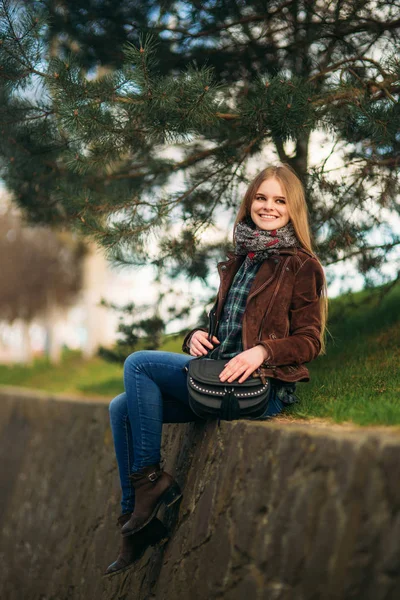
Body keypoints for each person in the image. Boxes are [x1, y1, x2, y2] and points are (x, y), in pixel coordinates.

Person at [104, 163, 327, 576]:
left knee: (139, 364)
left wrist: (262, 352)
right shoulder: (242, 258)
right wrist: (194, 336)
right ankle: (133, 521)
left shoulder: (301, 265)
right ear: (249, 202)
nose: (268, 206)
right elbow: (221, 324)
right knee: (120, 408)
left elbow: (310, 341)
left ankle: (152, 486)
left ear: (293, 208)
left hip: (257, 390)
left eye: (280, 200)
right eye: (261, 197)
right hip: (217, 380)